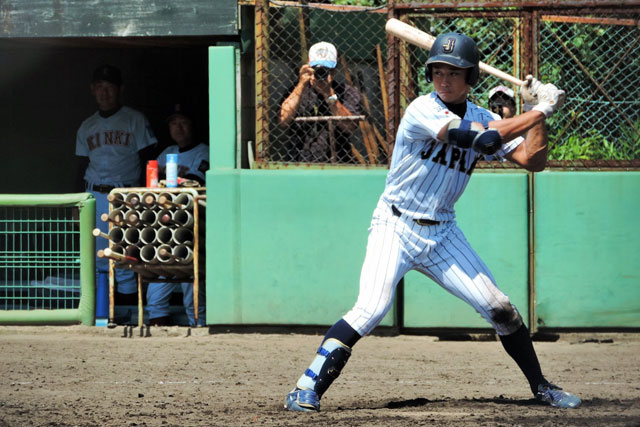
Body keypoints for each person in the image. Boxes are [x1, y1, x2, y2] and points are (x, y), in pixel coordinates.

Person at [284, 33, 581, 412]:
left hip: (443, 233)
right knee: (371, 308)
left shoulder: (483, 115)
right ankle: (306, 386)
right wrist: (541, 111)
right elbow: (482, 141)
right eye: (437, 71)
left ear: (469, 76)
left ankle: (541, 387)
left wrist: (535, 110)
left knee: (501, 308)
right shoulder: (421, 110)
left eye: (453, 72)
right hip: (395, 224)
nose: (443, 79)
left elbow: (533, 161)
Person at [75, 64, 157, 305]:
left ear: (120, 89)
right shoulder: (87, 125)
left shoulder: (134, 119)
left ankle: (127, 311)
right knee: (97, 255)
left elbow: (148, 159)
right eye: (99, 87)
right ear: (92, 90)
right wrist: (77, 201)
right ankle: (101, 309)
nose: (104, 92)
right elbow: (80, 166)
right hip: (94, 194)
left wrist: (145, 196)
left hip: (125, 194)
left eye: (109, 87)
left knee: (126, 256)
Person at [146, 103, 208, 327]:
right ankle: (158, 327)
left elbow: (195, 181)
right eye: (173, 123)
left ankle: (198, 327)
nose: (178, 128)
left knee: (191, 282)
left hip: (191, 226)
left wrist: (170, 183)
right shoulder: (166, 153)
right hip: (165, 229)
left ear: (192, 126)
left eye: (183, 123)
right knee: (158, 281)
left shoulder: (203, 151)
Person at [278, 41, 362, 163]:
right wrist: (301, 84)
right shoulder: (296, 91)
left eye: (327, 70)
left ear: (333, 71)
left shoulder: (346, 92)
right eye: (317, 69)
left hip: (337, 160)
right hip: (300, 159)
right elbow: (283, 120)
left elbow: (349, 127)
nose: (321, 74)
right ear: (309, 67)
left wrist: (329, 95)